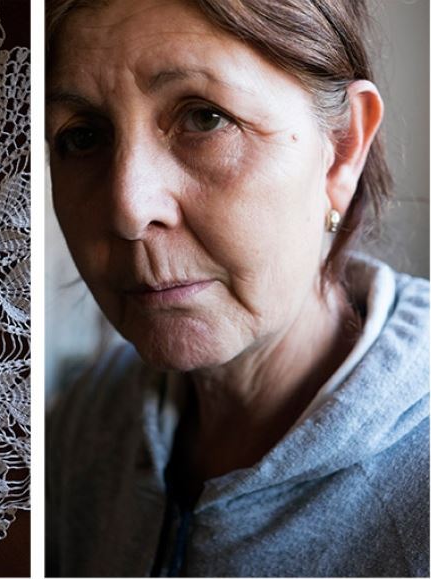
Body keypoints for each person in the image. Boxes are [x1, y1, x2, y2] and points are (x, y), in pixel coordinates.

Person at [45, 0, 430, 576]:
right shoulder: (82, 425)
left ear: (343, 149)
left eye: (205, 118)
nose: (127, 208)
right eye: (82, 138)